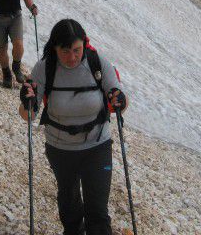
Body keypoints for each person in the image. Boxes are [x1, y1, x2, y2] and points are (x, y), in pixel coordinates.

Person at [19, 19, 128, 235]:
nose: (72, 57)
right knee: (69, 205)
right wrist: (26, 102)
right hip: (60, 149)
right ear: (55, 48)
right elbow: (28, 115)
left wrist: (120, 100)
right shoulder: (44, 68)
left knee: (97, 211)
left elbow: (119, 101)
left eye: (77, 50)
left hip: (97, 146)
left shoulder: (98, 62)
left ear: (84, 45)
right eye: (65, 51)